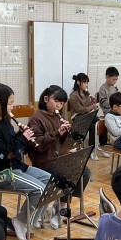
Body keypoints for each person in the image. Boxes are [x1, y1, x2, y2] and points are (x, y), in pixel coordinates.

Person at [0, 84, 51, 240]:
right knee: (39, 190)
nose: (12, 107)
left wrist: (20, 134)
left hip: (16, 166)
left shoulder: (6, 121)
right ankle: (20, 221)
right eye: (10, 103)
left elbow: (12, 144)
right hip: (1, 173)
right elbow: (4, 154)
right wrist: (23, 138)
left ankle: (33, 218)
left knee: (50, 182)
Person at [28, 85, 91, 226]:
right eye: (56, 101)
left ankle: (60, 205)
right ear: (46, 99)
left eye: (62, 103)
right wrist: (57, 133)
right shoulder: (36, 119)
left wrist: (70, 134)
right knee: (68, 173)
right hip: (44, 161)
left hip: (58, 158)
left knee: (84, 172)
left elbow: (64, 144)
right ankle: (60, 208)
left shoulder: (57, 117)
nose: (59, 105)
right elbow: (38, 145)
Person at [68, 73, 102, 158]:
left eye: (87, 83)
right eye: (84, 82)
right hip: (77, 116)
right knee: (92, 127)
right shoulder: (74, 95)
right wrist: (91, 107)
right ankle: (91, 150)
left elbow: (88, 107)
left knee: (99, 122)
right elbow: (80, 110)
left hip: (86, 115)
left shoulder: (86, 93)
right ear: (78, 83)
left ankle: (100, 145)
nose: (86, 85)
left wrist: (93, 102)